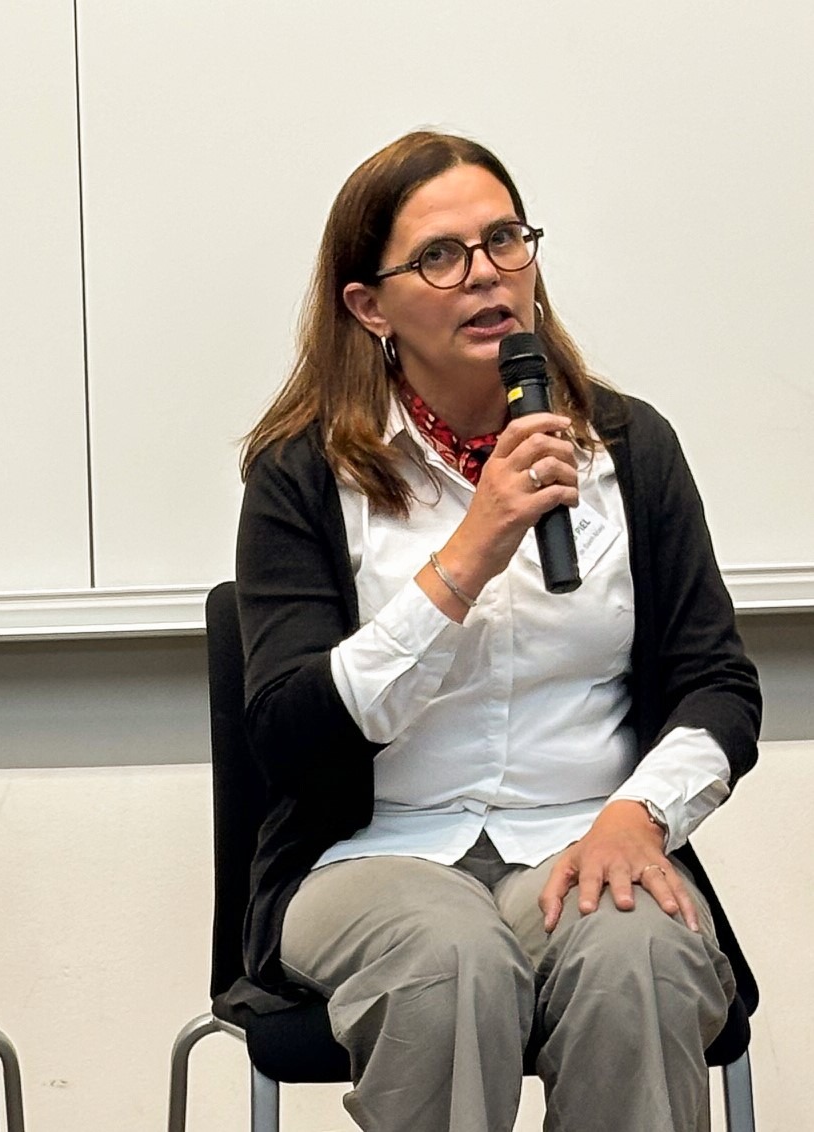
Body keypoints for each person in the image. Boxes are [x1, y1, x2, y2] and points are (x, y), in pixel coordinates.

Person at [236, 131, 760, 1132]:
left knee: (639, 954)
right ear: (368, 306)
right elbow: (285, 728)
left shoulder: (628, 448)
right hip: (366, 856)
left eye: (503, 240)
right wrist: (466, 555)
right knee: (448, 961)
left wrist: (639, 815)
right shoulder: (303, 472)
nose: (484, 274)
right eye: (440, 254)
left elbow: (715, 685)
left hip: (584, 834)